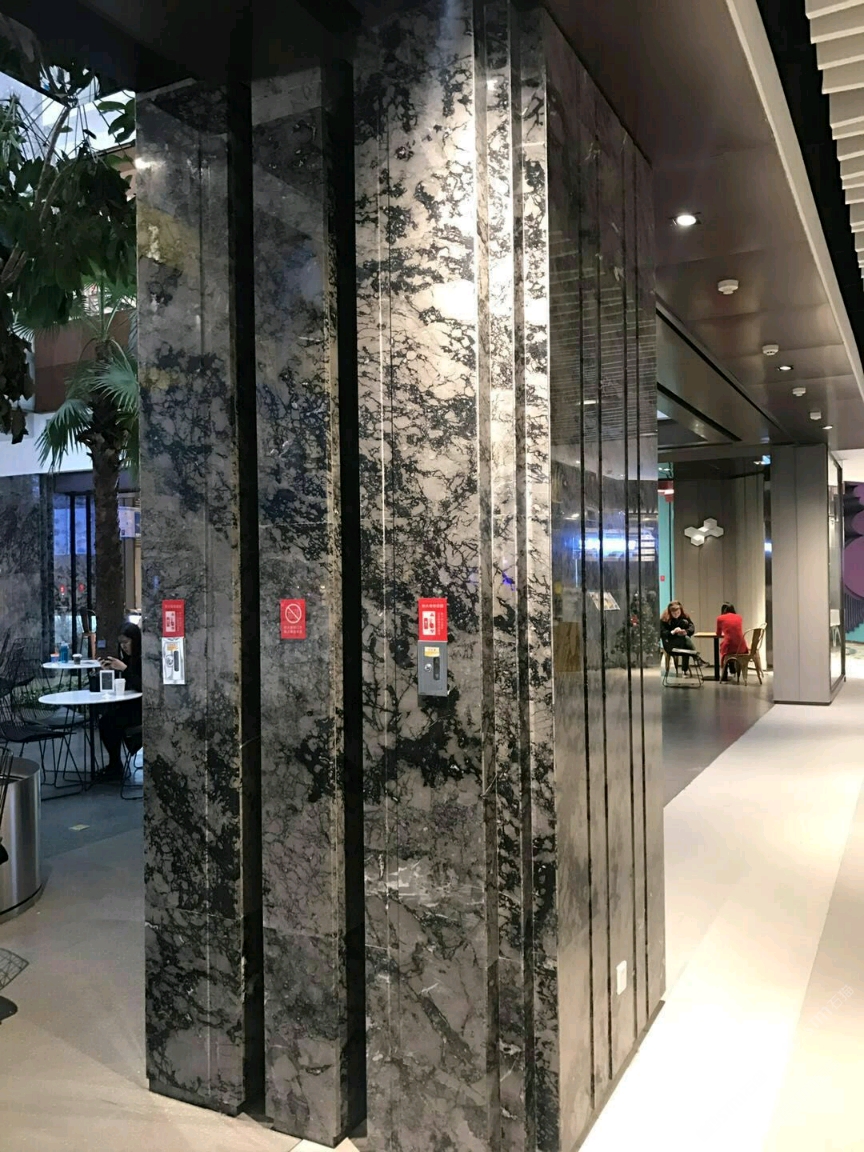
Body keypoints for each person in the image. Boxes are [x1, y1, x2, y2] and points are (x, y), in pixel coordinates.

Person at [98, 622, 142, 781]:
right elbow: (122, 686)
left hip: (141, 709)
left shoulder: (142, 659)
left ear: (135, 640)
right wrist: (108, 673)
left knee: (109, 722)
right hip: (130, 706)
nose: (123, 646)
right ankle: (114, 763)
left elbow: (141, 685)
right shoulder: (128, 660)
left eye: (126, 642)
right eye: (121, 643)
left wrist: (124, 669)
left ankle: (115, 765)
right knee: (106, 719)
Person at [660, 600, 697, 673]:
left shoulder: (685, 617)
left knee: (686, 643)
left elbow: (691, 628)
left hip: (682, 642)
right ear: (670, 612)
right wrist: (673, 632)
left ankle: (685, 670)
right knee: (686, 641)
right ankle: (695, 659)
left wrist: (686, 631)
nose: (676, 615)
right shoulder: (664, 619)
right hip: (670, 643)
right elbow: (662, 633)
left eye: (678, 613)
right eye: (674, 613)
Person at [716, 602, 748, 682]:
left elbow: (718, 633)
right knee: (727, 645)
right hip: (741, 646)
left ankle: (725, 674)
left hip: (730, 646)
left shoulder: (720, 618)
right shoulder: (739, 617)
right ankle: (732, 668)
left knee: (725, 647)